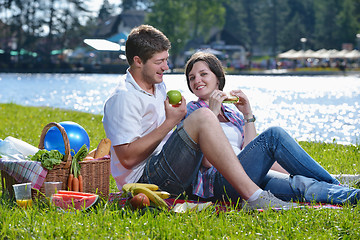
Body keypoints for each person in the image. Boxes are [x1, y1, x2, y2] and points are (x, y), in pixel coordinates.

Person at [102, 24, 296, 210]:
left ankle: (312, 183)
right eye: (159, 62)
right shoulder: (123, 98)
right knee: (203, 115)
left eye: (166, 60)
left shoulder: (157, 86)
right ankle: (254, 196)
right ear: (138, 61)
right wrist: (172, 122)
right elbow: (127, 159)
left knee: (285, 169)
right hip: (145, 181)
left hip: (170, 167)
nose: (166, 67)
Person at [184, 51, 360, 205]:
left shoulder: (232, 114)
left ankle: (352, 194)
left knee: (301, 185)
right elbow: (205, 161)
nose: (197, 80)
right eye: (192, 78)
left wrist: (247, 114)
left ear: (218, 78)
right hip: (221, 182)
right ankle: (336, 182)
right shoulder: (192, 112)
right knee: (274, 135)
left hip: (249, 176)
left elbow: (250, 151)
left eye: (203, 74)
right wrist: (212, 112)